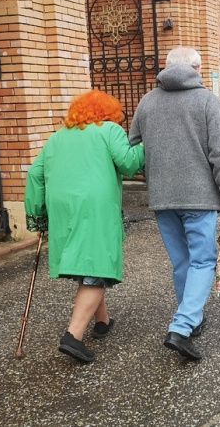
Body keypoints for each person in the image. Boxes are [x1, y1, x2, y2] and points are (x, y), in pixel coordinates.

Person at [129, 46, 220, 361]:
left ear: (166, 69)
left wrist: (154, 173)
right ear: (196, 67)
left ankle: (191, 321)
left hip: (162, 198)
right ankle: (181, 327)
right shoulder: (208, 102)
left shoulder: (147, 102)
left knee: (183, 263)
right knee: (203, 261)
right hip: (199, 198)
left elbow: (134, 148)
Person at [24, 90, 144, 363]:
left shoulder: (58, 137)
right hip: (93, 206)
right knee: (96, 264)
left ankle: (102, 321)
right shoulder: (109, 130)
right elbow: (128, 164)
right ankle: (73, 336)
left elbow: (35, 174)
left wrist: (38, 212)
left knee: (87, 260)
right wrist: (146, 146)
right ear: (109, 112)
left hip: (62, 207)